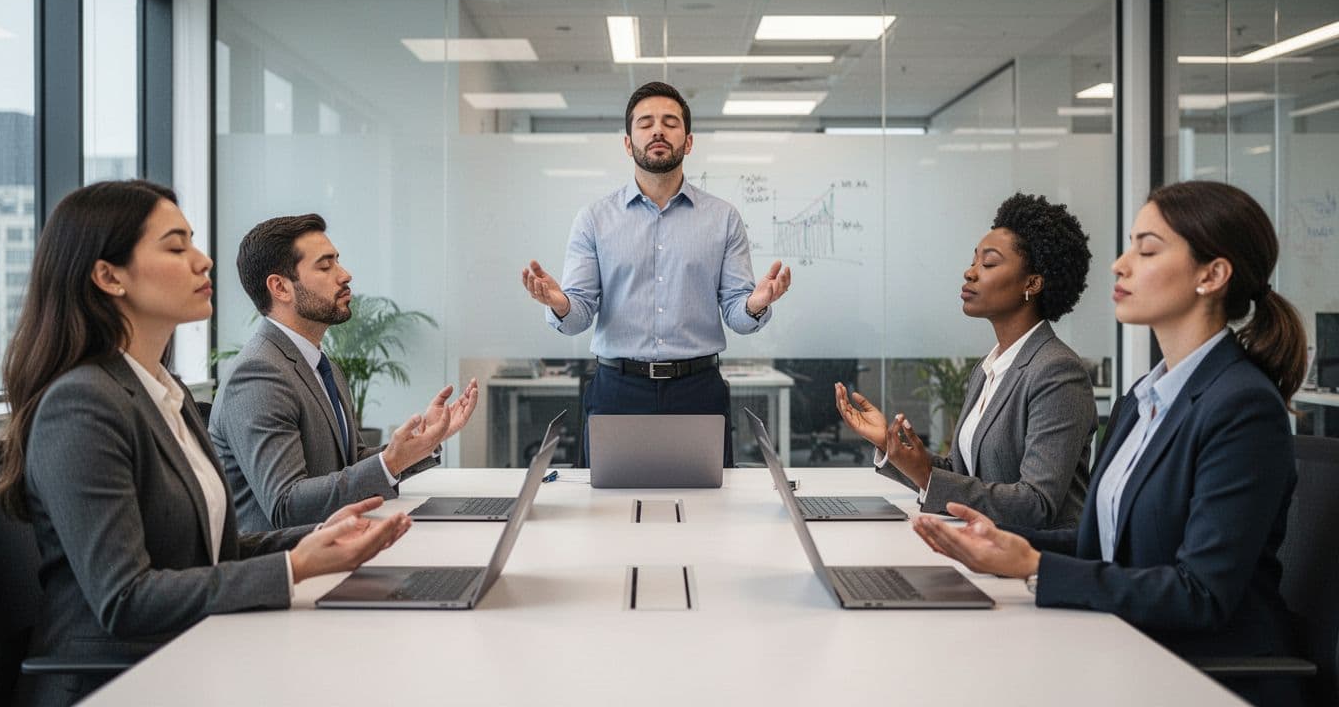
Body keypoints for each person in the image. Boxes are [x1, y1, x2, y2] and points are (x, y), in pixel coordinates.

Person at [0, 181, 412, 707]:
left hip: (193, 650)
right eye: (175, 246)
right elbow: (127, 600)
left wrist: (318, 538)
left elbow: (212, 551)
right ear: (108, 276)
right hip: (120, 681)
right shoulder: (81, 405)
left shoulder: (165, 391)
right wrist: (296, 567)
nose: (203, 260)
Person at [912, 181, 1307, 707]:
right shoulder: (1143, 398)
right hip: (1122, 643)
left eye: (1147, 250)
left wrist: (1034, 567)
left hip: (1202, 674)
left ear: (1211, 275)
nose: (1120, 266)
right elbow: (1110, 546)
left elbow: (1201, 595)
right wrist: (1007, 548)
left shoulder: (1241, 407)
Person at [520, 81, 791, 465]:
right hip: (617, 390)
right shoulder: (594, 219)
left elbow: (738, 317)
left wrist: (755, 304)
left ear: (689, 141)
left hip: (698, 391)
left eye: (670, 122)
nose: (658, 130)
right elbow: (577, 316)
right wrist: (559, 303)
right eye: (645, 123)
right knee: (604, 513)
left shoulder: (723, 218)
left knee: (710, 512)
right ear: (628, 143)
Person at [835, 193, 1096, 529]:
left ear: (1032, 283)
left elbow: (1036, 504)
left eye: (988, 264)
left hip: (1030, 564)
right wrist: (889, 444)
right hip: (978, 545)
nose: (970, 273)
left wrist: (926, 474)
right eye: (974, 261)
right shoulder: (990, 367)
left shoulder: (1057, 372)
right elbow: (963, 473)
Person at [211, 214, 477, 532]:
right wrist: (390, 462)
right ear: (280, 287)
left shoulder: (322, 365)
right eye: (325, 266)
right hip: (292, 568)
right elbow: (286, 505)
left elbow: (348, 462)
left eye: (338, 262)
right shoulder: (259, 374)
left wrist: (424, 440)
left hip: (340, 544)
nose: (345, 275)